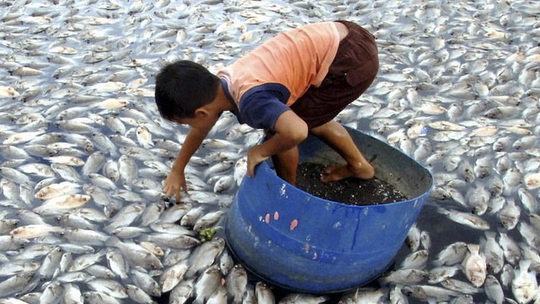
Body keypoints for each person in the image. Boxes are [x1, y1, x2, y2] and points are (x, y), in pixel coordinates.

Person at [155, 20, 379, 202]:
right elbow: (201, 128)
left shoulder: (252, 101)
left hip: (350, 63)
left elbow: (296, 132)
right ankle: (360, 166)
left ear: (202, 113)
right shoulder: (224, 80)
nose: (191, 128)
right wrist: (178, 168)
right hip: (347, 34)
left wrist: (261, 150)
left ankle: (288, 193)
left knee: (281, 132)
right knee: (308, 116)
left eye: (187, 123)